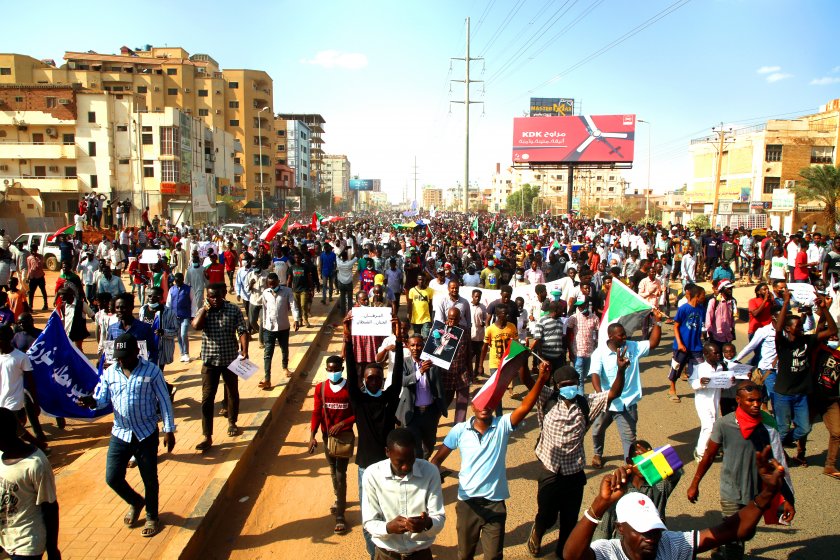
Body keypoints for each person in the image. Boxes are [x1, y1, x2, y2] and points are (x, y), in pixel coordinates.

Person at [563, 445, 790, 560]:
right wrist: (599, 505)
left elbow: (731, 530)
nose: (650, 537)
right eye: (642, 530)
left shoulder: (671, 545)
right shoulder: (608, 552)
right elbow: (572, 556)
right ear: (620, 529)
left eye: (655, 529)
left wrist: (765, 495)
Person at [430, 361, 550, 560]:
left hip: (495, 504)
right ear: (472, 406)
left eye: (489, 402)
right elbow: (437, 459)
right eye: (480, 401)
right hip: (467, 503)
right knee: (465, 554)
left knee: (494, 556)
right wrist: (429, 484)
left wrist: (541, 381)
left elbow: (526, 405)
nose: (484, 406)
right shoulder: (459, 430)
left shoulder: (502, 425)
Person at [522, 351, 628, 558]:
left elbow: (613, 393)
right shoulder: (547, 398)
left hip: (574, 473)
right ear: (556, 386)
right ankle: (538, 531)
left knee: (569, 520)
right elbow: (527, 381)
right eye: (564, 385)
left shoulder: (587, 403)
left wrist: (621, 370)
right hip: (549, 471)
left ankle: (563, 553)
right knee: (547, 515)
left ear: (578, 383)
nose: (569, 388)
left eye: (573, 383)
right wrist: (522, 360)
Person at [78, 333, 175, 538]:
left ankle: (151, 516)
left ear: (136, 353)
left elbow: (165, 401)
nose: (121, 360)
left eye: (125, 356)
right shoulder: (110, 373)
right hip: (120, 433)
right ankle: (135, 501)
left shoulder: (152, 371)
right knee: (112, 477)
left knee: (149, 478)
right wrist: (92, 402)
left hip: (146, 433)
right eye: (118, 357)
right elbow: (103, 400)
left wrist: (169, 429)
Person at [687, 382, 795, 560]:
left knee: (746, 532)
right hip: (731, 491)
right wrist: (694, 484)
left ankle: (720, 545)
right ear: (738, 400)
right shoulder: (724, 424)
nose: (755, 404)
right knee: (736, 538)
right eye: (750, 400)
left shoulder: (766, 426)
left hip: (756, 493)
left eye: (758, 401)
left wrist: (787, 499)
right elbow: (709, 455)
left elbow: (778, 463)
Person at [343, 315, 408, 559]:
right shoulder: (358, 401)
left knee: (390, 510)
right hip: (364, 468)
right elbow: (351, 369)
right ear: (363, 380)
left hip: (388, 466)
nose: (373, 380)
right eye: (369, 377)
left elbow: (399, 373)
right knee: (369, 515)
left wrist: (399, 339)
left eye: (377, 377)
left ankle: (390, 548)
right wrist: (347, 337)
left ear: (382, 379)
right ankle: (375, 555)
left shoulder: (388, 399)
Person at [589, 309, 664, 469]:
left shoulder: (633, 347)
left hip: (627, 404)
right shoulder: (599, 353)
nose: (625, 337)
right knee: (597, 431)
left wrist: (657, 322)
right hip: (607, 403)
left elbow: (653, 343)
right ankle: (598, 453)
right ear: (611, 337)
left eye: (624, 334)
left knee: (629, 440)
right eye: (621, 335)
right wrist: (601, 395)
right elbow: (595, 374)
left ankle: (630, 469)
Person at [773, 287, 837, 465]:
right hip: (783, 395)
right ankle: (777, 450)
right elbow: (778, 330)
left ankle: (776, 444)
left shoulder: (807, 341)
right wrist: (786, 302)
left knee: (804, 428)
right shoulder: (783, 344)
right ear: (788, 328)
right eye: (797, 326)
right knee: (784, 429)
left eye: (801, 326)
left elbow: (832, 331)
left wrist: (824, 308)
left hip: (801, 395)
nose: (801, 328)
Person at [362, 428, 445, 560]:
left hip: (420, 554)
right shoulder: (372, 475)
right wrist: (388, 527)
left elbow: (439, 517)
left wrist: (427, 523)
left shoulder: (430, 472)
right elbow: (369, 522)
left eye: (410, 460)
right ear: (387, 452)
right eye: (400, 462)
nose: (406, 467)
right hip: (386, 555)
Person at [192, 283, 250, 451]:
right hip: (210, 361)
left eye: (217, 296)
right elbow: (196, 326)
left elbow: (242, 330)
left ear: (224, 294)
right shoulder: (204, 311)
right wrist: (205, 309)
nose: (215, 299)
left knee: (232, 392)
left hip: (230, 359)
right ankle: (207, 436)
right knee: (207, 398)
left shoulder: (233, 310)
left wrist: (244, 350)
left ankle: (232, 422)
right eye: (211, 296)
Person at [0, 407, 60, 560]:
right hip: (5, 538)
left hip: (27, 542)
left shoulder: (35, 465)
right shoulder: (1, 455)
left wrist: (52, 549)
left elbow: (50, 507)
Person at [308, 355, 355, 535]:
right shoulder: (320, 388)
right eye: (330, 369)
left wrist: (343, 424)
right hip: (326, 437)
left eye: (336, 369)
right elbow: (316, 413)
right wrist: (312, 435)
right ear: (326, 370)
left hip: (344, 438)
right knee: (332, 469)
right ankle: (339, 497)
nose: (333, 372)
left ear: (342, 369)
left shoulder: (350, 389)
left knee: (341, 473)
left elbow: (357, 414)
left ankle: (340, 515)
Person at [397, 334, 446, 460]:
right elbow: (402, 381)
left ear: (423, 346)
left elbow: (439, 385)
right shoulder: (404, 363)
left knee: (429, 445)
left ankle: (423, 466)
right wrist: (420, 372)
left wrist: (439, 409)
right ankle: (417, 471)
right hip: (412, 413)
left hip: (430, 412)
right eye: (412, 345)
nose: (415, 348)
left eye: (419, 345)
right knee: (415, 447)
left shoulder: (433, 363)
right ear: (407, 346)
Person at [689, 342, 730, 461]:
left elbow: (725, 384)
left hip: (715, 402)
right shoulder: (700, 368)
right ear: (706, 354)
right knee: (708, 426)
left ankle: (710, 448)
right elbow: (692, 384)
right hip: (703, 402)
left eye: (719, 353)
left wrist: (730, 380)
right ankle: (700, 452)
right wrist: (701, 383)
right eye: (715, 353)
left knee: (714, 425)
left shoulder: (721, 367)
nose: (719, 355)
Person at [667, 283, 707, 402]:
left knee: (701, 368)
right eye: (703, 295)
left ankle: (700, 389)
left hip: (696, 346)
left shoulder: (701, 309)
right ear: (697, 296)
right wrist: (679, 343)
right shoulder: (684, 308)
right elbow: (676, 326)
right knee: (676, 367)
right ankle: (672, 390)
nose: (704, 297)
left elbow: (702, 326)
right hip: (682, 345)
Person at [261, 272, 300, 389]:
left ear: (278, 282)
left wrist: (296, 319)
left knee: (284, 348)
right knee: (268, 353)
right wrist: (264, 325)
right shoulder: (265, 293)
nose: (272, 286)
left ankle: (285, 367)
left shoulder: (287, 291)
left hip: (283, 326)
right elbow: (264, 309)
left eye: (274, 284)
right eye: (270, 284)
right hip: (269, 328)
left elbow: (293, 306)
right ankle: (267, 378)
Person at [139, 287, 178, 373]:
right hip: (145, 348)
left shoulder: (169, 312)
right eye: (149, 296)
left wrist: (164, 332)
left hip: (160, 349)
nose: (151, 298)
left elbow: (176, 331)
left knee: (157, 372)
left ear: (160, 297)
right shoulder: (142, 310)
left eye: (154, 296)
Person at [166, 273, 193, 362]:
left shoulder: (188, 289)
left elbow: (194, 302)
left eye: (179, 280)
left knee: (183, 334)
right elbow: (168, 304)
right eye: (176, 281)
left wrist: (192, 315)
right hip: (175, 317)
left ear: (182, 280)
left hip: (185, 316)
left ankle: (186, 353)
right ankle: (182, 354)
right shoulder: (172, 290)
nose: (177, 282)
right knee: (178, 336)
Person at [407, 274, 434, 338]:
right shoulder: (412, 290)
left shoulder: (430, 290)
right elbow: (409, 305)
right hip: (416, 319)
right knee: (417, 337)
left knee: (425, 337)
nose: (421, 281)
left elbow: (430, 305)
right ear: (417, 280)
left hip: (426, 318)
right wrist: (409, 316)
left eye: (423, 280)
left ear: (425, 280)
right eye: (419, 279)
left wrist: (431, 318)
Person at [26, 245, 49, 311]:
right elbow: (29, 268)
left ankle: (45, 304)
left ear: (36, 250)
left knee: (43, 291)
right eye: (31, 250)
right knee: (31, 292)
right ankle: (30, 306)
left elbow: (40, 265)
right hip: (33, 277)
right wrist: (28, 278)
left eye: (33, 250)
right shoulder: (29, 258)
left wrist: (36, 258)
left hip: (40, 276)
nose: (32, 251)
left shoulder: (40, 256)